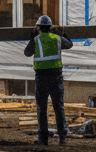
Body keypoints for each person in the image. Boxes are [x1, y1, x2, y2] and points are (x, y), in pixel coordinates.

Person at [23, 14, 73, 145]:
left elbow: (27, 53)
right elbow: (69, 45)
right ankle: (62, 137)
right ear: (50, 27)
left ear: (38, 27)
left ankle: (43, 139)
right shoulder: (57, 38)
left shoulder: (36, 40)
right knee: (58, 107)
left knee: (42, 108)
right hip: (56, 77)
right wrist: (64, 34)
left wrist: (31, 38)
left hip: (42, 78)